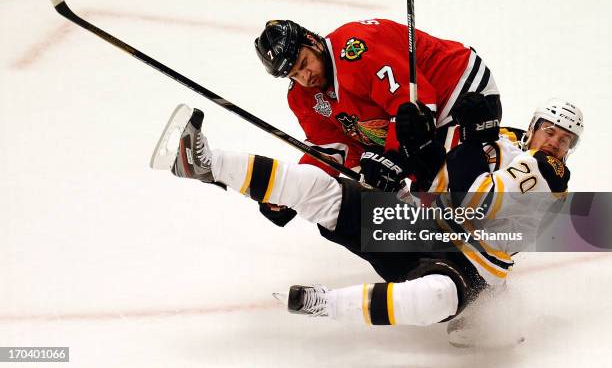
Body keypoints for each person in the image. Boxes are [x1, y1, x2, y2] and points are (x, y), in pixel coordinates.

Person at [149, 95, 583, 341]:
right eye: (550, 130)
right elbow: (440, 177)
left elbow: (471, 207)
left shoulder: (549, 176)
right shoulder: (502, 139)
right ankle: (205, 163)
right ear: (533, 125)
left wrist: (468, 143)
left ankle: (325, 304)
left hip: (471, 265)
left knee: (436, 297)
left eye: (566, 140)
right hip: (417, 227)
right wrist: (409, 153)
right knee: (322, 190)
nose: (555, 143)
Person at [253, 19, 502, 195]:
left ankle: (511, 154)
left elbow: (414, 103)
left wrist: (392, 156)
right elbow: (333, 147)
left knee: (446, 182)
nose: (305, 77)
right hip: (416, 123)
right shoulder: (302, 97)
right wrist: (294, 190)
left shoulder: (355, 51)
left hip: (459, 91)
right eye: (294, 75)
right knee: (415, 194)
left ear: (312, 41)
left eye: (304, 63)